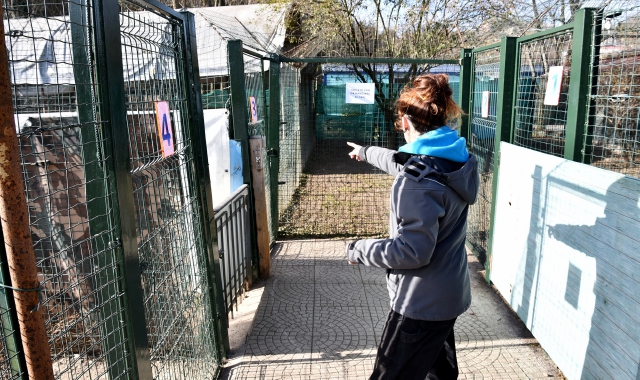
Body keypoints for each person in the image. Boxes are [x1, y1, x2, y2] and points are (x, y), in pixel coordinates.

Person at [345, 74, 479, 380]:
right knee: (439, 374)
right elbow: (402, 161)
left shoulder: (415, 183)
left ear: (406, 121)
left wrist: (359, 250)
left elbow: (411, 252)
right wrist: (366, 152)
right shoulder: (456, 160)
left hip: (418, 303)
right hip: (449, 295)